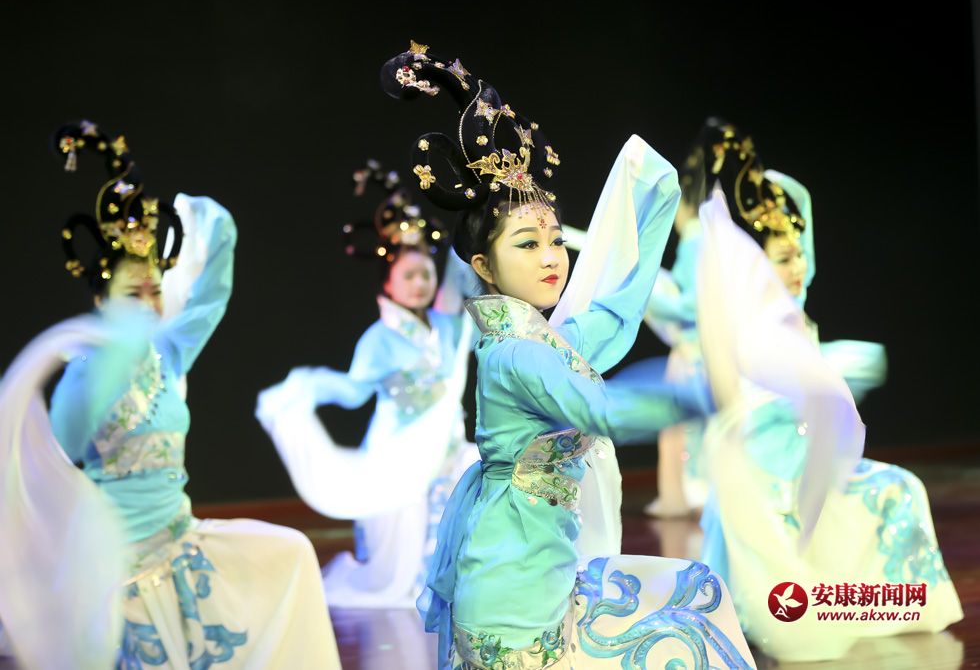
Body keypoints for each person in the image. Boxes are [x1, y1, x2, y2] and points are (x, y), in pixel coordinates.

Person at [382, 43, 757, 669]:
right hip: (511, 587)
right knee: (690, 611)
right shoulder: (516, 357)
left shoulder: (544, 340)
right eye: (528, 245)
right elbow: (603, 412)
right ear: (484, 266)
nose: (552, 257)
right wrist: (703, 394)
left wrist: (655, 203)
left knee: (695, 598)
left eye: (556, 240)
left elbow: (613, 315)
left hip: (540, 568)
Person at [0, 121, 340, 669]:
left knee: (293, 552)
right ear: (101, 299)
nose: (148, 303)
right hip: (116, 563)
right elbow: (65, 444)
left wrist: (208, 217)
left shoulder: (168, 350)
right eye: (131, 293)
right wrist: (109, 363)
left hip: (180, 541)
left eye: (154, 290)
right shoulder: (85, 369)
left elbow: (212, 292)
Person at [692, 118, 963, 662]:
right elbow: (734, 405)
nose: (797, 267)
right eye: (783, 258)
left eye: (798, 254)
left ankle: (881, 605)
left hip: (807, 455)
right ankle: (812, 603)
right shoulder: (739, 324)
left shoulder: (791, 320)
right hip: (768, 467)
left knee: (902, 487)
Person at [256, 160, 479, 608]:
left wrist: (476, 215)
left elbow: (462, 273)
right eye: (409, 276)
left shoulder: (447, 326)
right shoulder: (378, 339)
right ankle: (423, 583)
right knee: (404, 543)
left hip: (449, 448)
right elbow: (353, 390)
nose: (420, 283)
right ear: (388, 282)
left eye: (425, 274)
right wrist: (310, 386)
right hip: (401, 452)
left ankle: (461, 581)